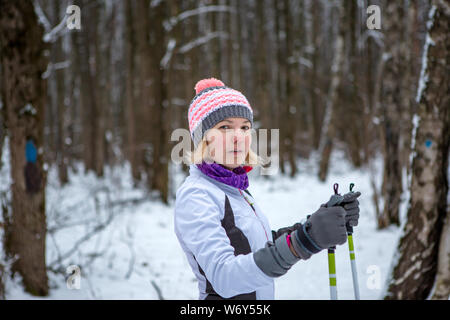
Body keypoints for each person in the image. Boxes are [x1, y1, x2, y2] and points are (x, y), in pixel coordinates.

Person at [174, 78, 361, 300]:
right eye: (225, 127)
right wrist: (302, 241)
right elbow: (225, 277)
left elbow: (258, 248)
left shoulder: (235, 188)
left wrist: (314, 226)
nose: (238, 137)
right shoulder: (197, 195)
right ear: (202, 138)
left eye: (244, 128)